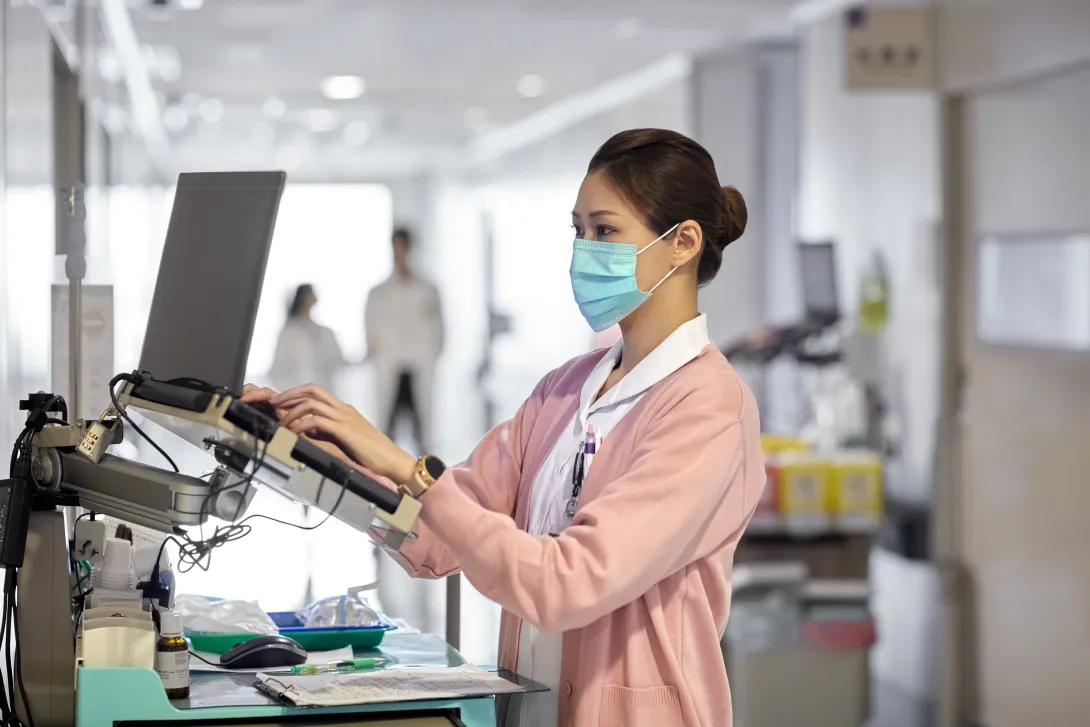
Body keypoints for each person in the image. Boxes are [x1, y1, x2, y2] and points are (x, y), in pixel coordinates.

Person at [245, 128, 765, 727]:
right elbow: (432, 540)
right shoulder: (565, 389)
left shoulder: (707, 406)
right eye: (579, 231)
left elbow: (569, 584)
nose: (585, 250)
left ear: (684, 244)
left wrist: (405, 465)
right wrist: (302, 448)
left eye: (606, 231)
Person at [364, 228, 444, 454]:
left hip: (420, 365)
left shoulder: (428, 290)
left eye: (404, 247)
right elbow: (371, 335)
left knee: (423, 433)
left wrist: (429, 355)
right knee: (387, 433)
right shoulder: (378, 293)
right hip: (390, 366)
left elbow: (439, 331)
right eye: (397, 247)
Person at [268, 284, 346, 394]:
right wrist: (288, 392)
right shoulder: (288, 333)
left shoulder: (325, 332)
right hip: (297, 394)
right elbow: (276, 371)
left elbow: (338, 362)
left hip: (324, 393)